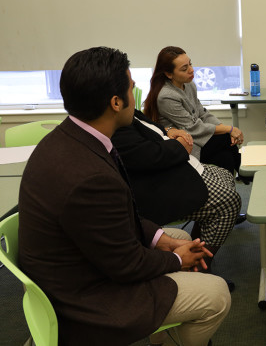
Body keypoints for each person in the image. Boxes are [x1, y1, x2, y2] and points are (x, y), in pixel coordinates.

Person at [18, 47, 230, 346]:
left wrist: (159, 239)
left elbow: (116, 222)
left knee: (171, 235)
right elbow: (126, 265)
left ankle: (164, 327)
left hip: (75, 267)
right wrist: (173, 259)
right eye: (131, 88)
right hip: (84, 299)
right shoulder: (90, 177)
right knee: (217, 293)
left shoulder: (69, 139)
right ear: (116, 102)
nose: (135, 95)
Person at [112, 109, 242, 276]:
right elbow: (150, 154)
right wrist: (180, 144)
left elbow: (155, 128)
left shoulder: (130, 113)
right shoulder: (118, 126)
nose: (134, 83)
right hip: (159, 180)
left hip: (176, 163)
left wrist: (170, 131)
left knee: (226, 175)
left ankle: (197, 245)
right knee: (229, 201)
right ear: (116, 101)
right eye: (130, 86)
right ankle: (200, 267)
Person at [143, 46, 243, 176]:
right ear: (169, 74)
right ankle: (245, 171)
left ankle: (234, 187)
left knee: (226, 158)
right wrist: (229, 130)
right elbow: (193, 128)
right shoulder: (166, 96)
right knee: (226, 139)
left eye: (190, 64)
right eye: (184, 69)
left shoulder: (189, 84)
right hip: (185, 144)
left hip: (198, 138)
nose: (191, 70)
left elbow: (202, 113)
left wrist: (224, 127)